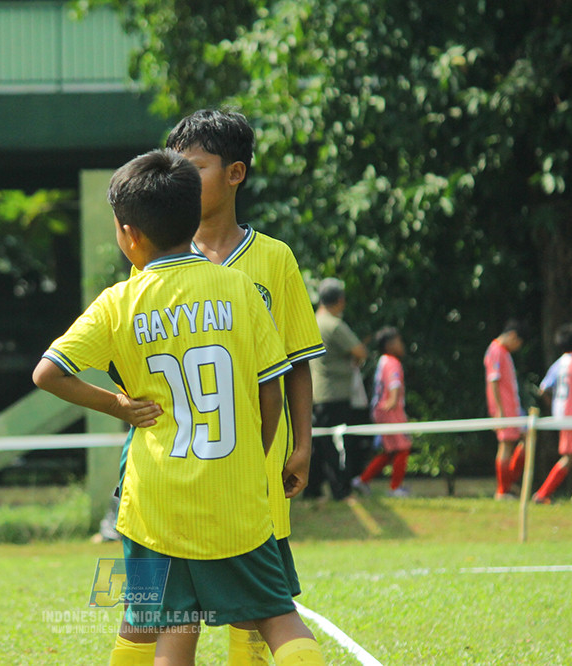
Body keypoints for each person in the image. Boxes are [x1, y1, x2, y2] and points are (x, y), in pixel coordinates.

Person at [33, 149, 325, 666]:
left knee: (165, 625)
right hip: (235, 493)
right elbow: (271, 389)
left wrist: (119, 405)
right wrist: (254, 455)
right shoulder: (238, 287)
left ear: (129, 234)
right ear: (192, 217)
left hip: (157, 503)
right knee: (277, 615)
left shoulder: (119, 301)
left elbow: (48, 373)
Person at [164, 108, 325, 665]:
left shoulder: (274, 258)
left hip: (255, 465)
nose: (182, 179)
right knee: (156, 617)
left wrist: (301, 444)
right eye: (175, 167)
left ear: (236, 173)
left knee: (259, 613)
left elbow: (297, 360)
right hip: (175, 472)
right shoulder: (157, 260)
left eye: (197, 167)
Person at [308, 278, 368, 500]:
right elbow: (360, 352)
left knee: (318, 442)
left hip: (315, 392)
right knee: (335, 444)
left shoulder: (313, 320)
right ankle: (340, 490)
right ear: (340, 300)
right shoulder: (334, 325)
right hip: (334, 394)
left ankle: (312, 488)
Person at [534, 324, 572, 504]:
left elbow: (543, 389)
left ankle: (546, 493)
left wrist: (554, 405)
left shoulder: (558, 364)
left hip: (561, 414)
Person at [352, 327, 412, 497]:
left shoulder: (382, 361)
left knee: (390, 450)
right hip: (391, 411)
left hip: (380, 410)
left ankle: (362, 480)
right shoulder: (392, 362)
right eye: (399, 341)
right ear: (390, 345)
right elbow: (394, 384)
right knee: (403, 447)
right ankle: (395, 488)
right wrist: (392, 401)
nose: (402, 345)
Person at [483, 319, 528, 500]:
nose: (517, 347)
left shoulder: (503, 352)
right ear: (512, 336)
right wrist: (499, 410)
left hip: (512, 408)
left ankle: (508, 483)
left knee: (524, 440)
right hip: (505, 409)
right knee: (506, 445)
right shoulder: (496, 351)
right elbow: (493, 382)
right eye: (518, 343)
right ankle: (503, 489)